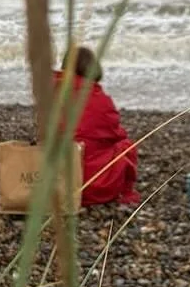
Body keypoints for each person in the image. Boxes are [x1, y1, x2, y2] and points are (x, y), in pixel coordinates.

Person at [57, 47, 139, 206]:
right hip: (93, 186)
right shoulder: (101, 100)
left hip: (57, 183)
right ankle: (126, 192)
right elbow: (116, 134)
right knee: (127, 147)